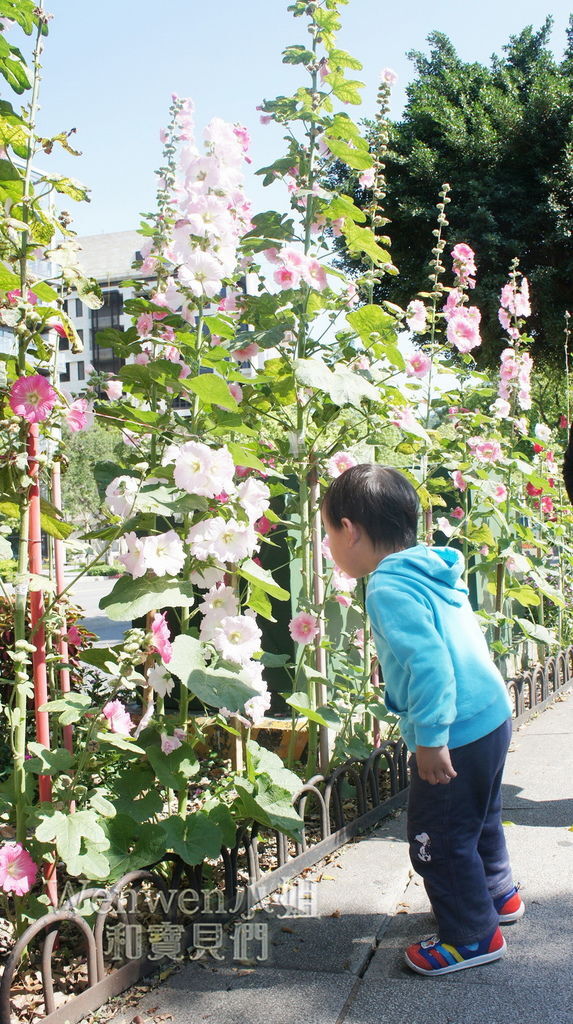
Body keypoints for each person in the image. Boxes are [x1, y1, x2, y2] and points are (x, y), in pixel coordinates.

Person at [321, 463, 524, 977]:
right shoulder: (429, 567)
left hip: (453, 729)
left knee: (437, 835)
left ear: (350, 529)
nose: (330, 544)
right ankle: (497, 896)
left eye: (328, 532)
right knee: (478, 817)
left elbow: (430, 665)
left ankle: (472, 936)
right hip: (490, 714)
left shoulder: (387, 588)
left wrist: (432, 740)